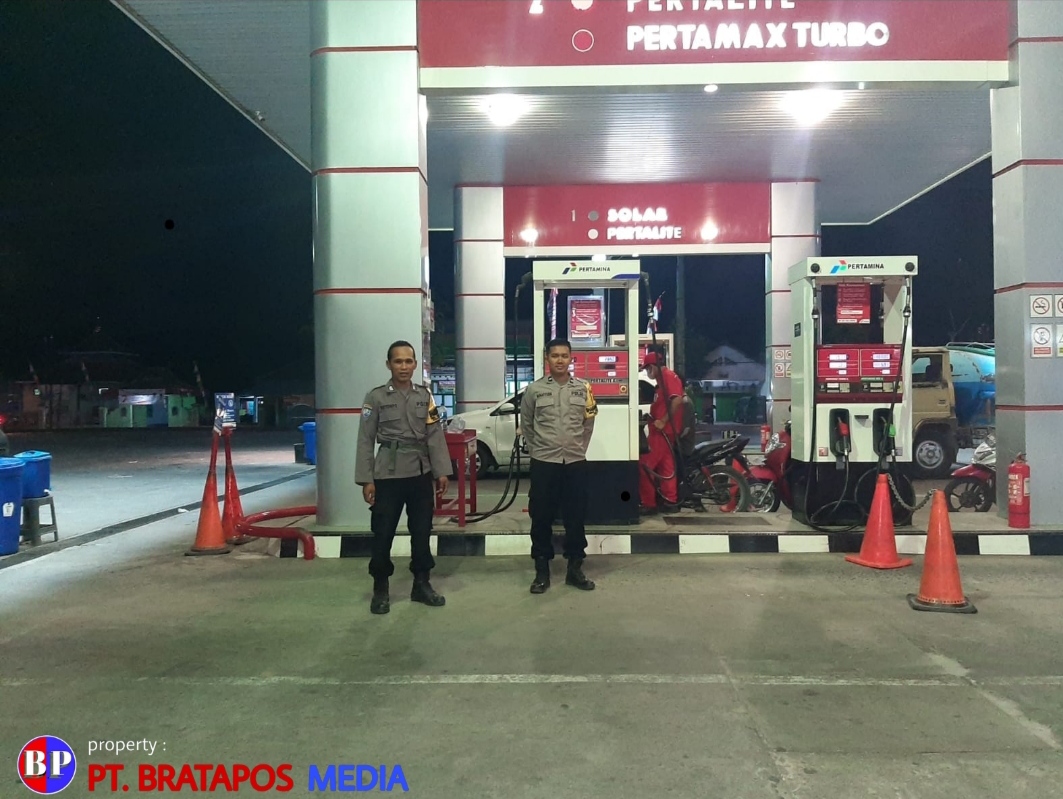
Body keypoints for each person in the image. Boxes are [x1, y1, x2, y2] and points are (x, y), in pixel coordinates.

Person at [356, 341, 452, 615]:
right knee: (383, 532)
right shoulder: (375, 397)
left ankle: (421, 584)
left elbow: (434, 434)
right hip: (387, 474)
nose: (404, 366)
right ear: (389, 364)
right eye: (398, 361)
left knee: (421, 531)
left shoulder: (424, 396)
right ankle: (381, 588)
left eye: (409, 361)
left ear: (415, 364)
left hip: (420, 473)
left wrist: (441, 471)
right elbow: (365, 440)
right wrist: (366, 479)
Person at [519, 338, 597, 594]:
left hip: (575, 463)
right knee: (541, 517)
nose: (560, 360)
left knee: (576, 517)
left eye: (564, 355)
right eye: (555, 356)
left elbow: (588, 423)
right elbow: (527, 424)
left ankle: (575, 569)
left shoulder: (583, 389)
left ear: (571, 358)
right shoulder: (534, 390)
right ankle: (542, 571)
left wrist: (578, 448)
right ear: (547, 359)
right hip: (545, 463)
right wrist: (538, 451)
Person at [639, 351, 684, 514]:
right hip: (664, 431)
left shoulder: (667, 377)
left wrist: (663, 421)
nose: (647, 372)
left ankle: (648, 504)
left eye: (647, 368)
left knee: (644, 466)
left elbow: (677, 399)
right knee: (667, 468)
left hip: (662, 432)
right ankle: (670, 501)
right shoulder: (662, 380)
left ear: (653, 366)